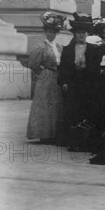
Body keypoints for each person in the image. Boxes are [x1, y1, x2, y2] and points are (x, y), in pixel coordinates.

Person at [58, 12, 101, 146]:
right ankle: (70, 139)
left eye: (84, 33)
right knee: (71, 111)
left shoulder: (94, 50)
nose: (81, 35)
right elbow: (63, 68)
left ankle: (84, 139)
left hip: (88, 85)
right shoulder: (68, 50)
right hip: (73, 84)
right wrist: (64, 82)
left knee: (86, 110)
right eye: (79, 33)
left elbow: (96, 70)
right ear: (75, 34)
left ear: (87, 34)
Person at [26, 12, 66, 143]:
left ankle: (54, 133)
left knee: (56, 103)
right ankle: (43, 133)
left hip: (57, 76)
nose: (52, 34)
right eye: (49, 31)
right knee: (45, 104)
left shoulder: (59, 47)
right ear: (45, 31)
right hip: (46, 77)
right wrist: (43, 74)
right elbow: (33, 64)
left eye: (54, 32)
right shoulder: (40, 47)